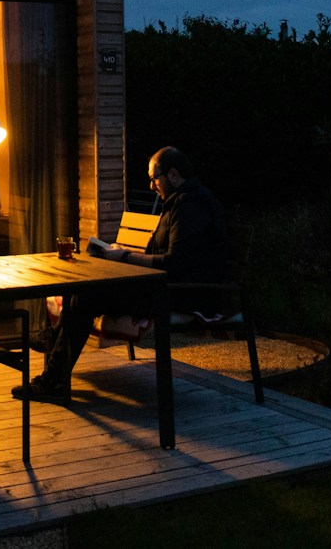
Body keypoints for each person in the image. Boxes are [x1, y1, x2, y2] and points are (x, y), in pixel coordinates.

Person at [14, 145, 227, 400]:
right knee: (84, 289)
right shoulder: (180, 203)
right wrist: (121, 252)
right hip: (162, 287)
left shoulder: (190, 207)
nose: (151, 186)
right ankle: (54, 356)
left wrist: (124, 256)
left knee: (86, 297)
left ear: (172, 174)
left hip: (183, 294)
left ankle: (53, 378)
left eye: (153, 178)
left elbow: (174, 263)